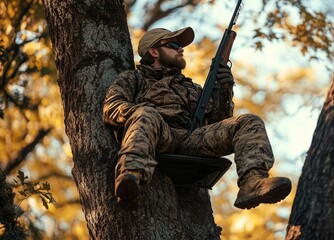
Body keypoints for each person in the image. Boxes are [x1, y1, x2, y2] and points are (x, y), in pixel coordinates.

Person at [103, 27, 291, 210]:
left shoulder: (192, 88)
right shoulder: (134, 78)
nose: (181, 49)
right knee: (146, 114)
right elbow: (111, 108)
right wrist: (143, 111)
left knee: (249, 121)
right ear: (153, 51)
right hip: (157, 135)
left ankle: (252, 183)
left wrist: (224, 90)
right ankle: (129, 178)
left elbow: (218, 123)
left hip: (190, 140)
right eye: (174, 45)